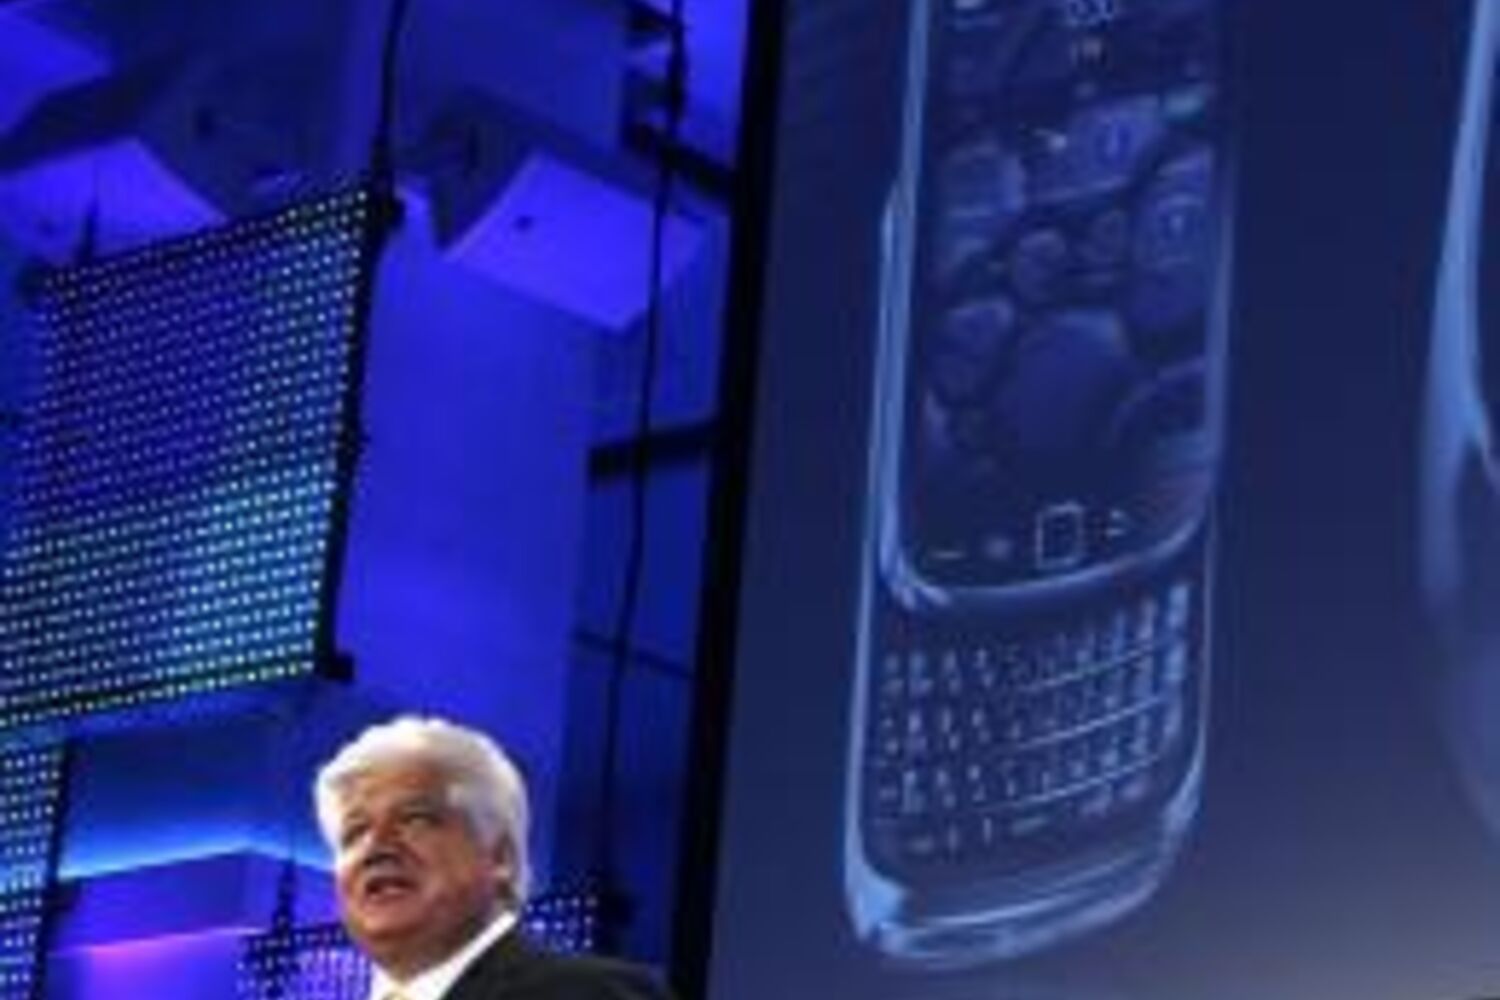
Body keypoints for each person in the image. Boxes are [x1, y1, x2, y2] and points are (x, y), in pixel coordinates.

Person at [314, 715, 675, 1000]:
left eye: (415, 819)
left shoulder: (593, 994)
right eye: (354, 833)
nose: (377, 846)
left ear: (500, 858)